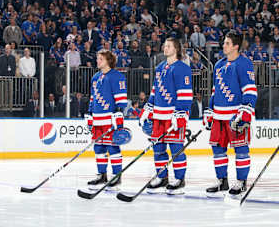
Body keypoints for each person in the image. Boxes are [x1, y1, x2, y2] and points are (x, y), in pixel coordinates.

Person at [203, 32, 257, 197]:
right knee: (217, 149)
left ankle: (241, 182)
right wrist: (210, 109)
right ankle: (222, 181)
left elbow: (250, 90)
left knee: (241, 149)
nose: (223, 46)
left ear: (235, 46)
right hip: (219, 115)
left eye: (227, 43)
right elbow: (215, 91)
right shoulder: (219, 65)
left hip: (235, 115)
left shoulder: (244, 64)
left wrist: (246, 110)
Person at [139, 38, 193, 195]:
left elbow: (185, 94)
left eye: (168, 45)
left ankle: (179, 179)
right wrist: (147, 109)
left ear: (176, 48)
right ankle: (162, 177)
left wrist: (180, 114)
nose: (165, 47)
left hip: (173, 116)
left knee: (176, 147)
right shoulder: (160, 67)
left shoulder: (182, 68)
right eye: (164, 45)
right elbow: (155, 91)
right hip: (158, 115)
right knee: (158, 148)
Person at [85, 50, 128, 191]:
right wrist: (90, 114)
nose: (97, 61)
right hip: (97, 119)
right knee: (98, 147)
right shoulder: (95, 77)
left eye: (100, 59)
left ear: (108, 61)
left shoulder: (117, 77)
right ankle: (101, 175)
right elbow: (93, 98)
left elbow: (121, 99)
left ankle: (116, 176)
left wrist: (119, 114)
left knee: (112, 147)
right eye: (97, 58)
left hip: (110, 118)